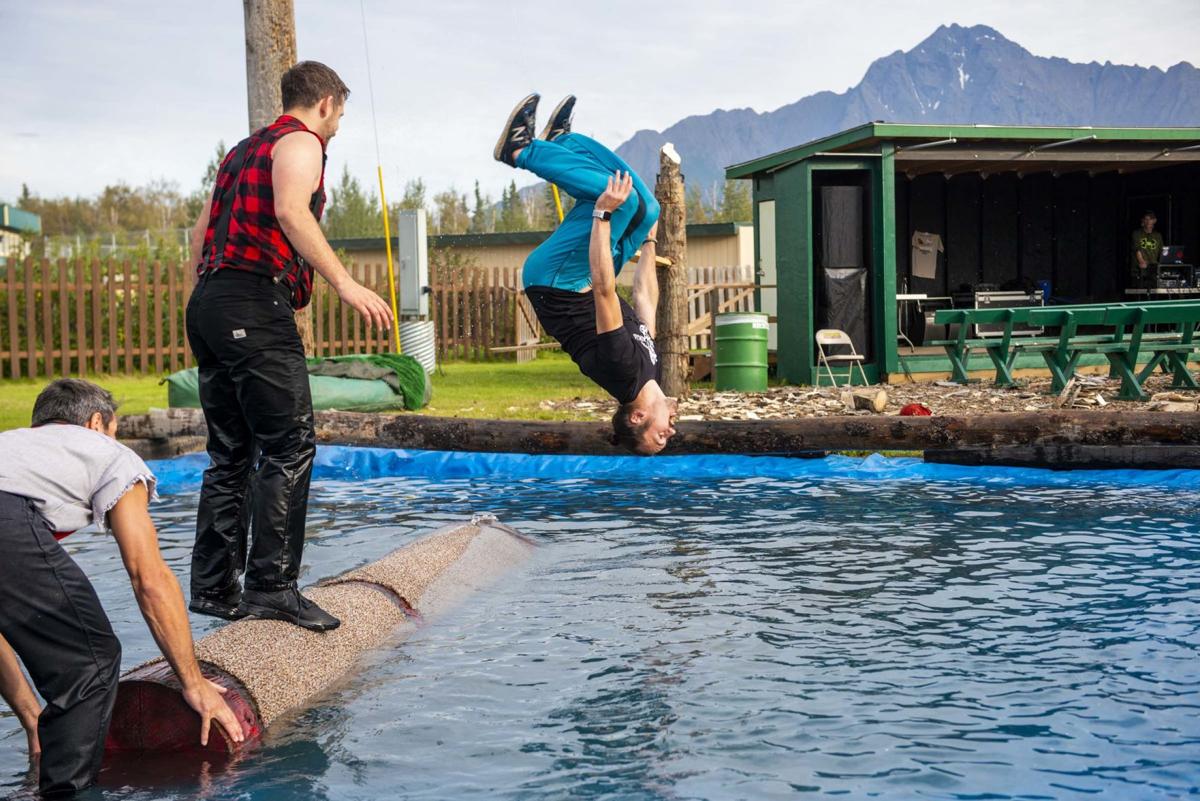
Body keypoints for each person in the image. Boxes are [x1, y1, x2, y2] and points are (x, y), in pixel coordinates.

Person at [186, 61, 393, 631]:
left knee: (231, 451)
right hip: (253, 302)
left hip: (211, 301)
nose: (338, 128)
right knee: (289, 442)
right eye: (341, 115)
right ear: (324, 102)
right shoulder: (298, 141)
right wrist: (346, 284)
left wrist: (201, 306)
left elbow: (203, 234)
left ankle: (212, 587)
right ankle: (272, 587)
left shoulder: (239, 152)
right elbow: (290, 212)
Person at [0, 379, 243, 796]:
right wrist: (193, 682)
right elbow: (148, 576)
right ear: (98, 423)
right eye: (114, 430)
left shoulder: (14, 448)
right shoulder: (110, 453)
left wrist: (32, 718)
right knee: (92, 663)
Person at [494, 93, 677, 454]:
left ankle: (519, 152)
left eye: (659, 438)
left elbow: (606, 292)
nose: (669, 434)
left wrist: (603, 216)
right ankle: (562, 140)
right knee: (648, 209)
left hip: (556, 281)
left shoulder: (622, 372)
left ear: (637, 418)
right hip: (582, 278)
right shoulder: (649, 372)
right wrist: (650, 241)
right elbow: (644, 299)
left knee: (616, 201)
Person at [1131, 210, 1164, 287]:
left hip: (1154, 269)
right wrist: (1141, 261)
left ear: (1154, 221)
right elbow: (1137, 249)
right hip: (1139, 270)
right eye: (1146, 219)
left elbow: (1162, 251)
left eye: (1151, 219)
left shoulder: (1157, 235)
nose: (1149, 221)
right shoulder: (1137, 233)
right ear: (1143, 221)